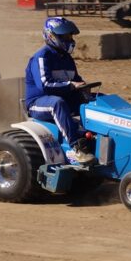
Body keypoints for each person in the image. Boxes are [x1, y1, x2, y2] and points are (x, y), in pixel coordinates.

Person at [24, 16, 95, 165]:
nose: (70, 39)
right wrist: (71, 85)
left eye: (70, 36)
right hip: (38, 102)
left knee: (97, 100)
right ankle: (76, 148)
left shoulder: (67, 58)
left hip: (63, 97)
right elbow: (44, 84)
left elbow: (75, 80)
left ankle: (96, 139)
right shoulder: (42, 57)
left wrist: (84, 89)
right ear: (51, 35)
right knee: (57, 103)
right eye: (65, 36)